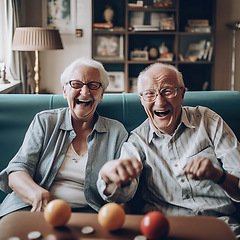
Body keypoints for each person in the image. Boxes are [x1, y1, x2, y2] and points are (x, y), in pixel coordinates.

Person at [97, 62, 240, 238]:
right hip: (163, 230)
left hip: (218, 226)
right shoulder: (136, 141)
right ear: (141, 99)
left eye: (168, 91)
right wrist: (108, 176)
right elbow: (121, 195)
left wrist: (217, 175)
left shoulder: (208, 121)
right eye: (150, 94)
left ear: (182, 94)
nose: (160, 101)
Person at [0, 57, 128, 217]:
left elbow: (122, 187)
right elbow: (17, 170)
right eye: (76, 84)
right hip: (32, 208)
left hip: (91, 214)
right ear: (65, 91)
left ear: (101, 94)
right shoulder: (45, 121)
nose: (85, 91)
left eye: (93, 85)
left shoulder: (116, 132)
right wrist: (37, 195)